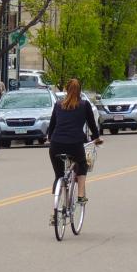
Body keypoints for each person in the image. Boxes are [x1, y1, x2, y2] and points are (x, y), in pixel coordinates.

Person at [47, 78, 103, 219]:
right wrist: (96, 139)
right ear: (80, 91)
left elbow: (51, 127)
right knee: (82, 164)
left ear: (66, 90)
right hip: (75, 143)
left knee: (59, 175)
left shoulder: (58, 105)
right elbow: (92, 125)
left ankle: (58, 207)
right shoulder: (84, 105)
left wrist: (49, 138)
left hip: (56, 144)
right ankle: (80, 195)